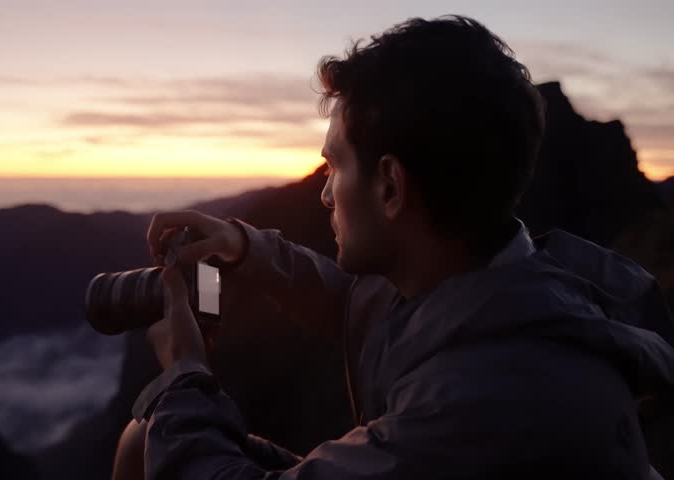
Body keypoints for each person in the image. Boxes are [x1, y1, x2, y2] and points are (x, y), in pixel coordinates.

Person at [113, 15, 673, 479]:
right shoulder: (504, 282)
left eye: (334, 166)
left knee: (162, 432)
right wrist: (245, 247)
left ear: (389, 187)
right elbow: (363, 308)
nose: (326, 193)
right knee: (146, 439)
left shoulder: (474, 400)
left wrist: (185, 372)